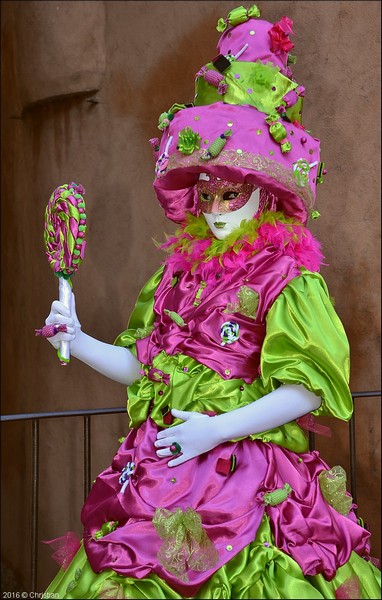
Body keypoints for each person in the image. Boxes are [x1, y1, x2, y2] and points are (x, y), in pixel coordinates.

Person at [42, 5, 381, 599]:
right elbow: (143, 368)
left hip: (249, 478)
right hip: (161, 469)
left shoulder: (289, 277)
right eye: (208, 197)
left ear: (264, 193)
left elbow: (307, 388)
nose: (219, 211)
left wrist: (217, 431)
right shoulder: (176, 276)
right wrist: (78, 337)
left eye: (233, 196)